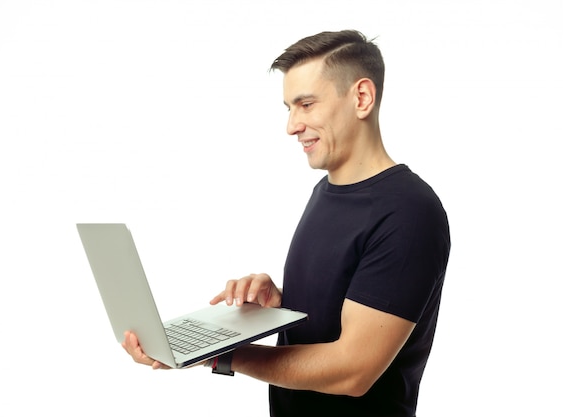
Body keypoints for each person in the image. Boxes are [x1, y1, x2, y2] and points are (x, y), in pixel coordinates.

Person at [122, 29, 451, 417]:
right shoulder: (324, 193)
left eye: (306, 104)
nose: (292, 125)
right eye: (289, 108)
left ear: (362, 97)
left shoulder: (409, 212)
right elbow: (338, 313)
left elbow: (353, 372)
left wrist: (221, 355)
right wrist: (280, 306)